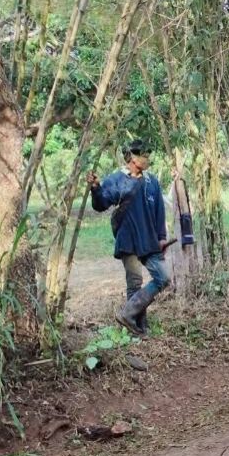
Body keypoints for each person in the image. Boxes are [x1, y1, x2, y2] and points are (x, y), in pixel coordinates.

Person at [88, 140, 173, 335]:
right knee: (134, 283)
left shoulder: (152, 182)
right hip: (128, 239)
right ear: (133, 158)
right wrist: (95, 188)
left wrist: (161, 237)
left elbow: (159, 211)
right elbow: (101, 204)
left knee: (163, 278)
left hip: (149, 239)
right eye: (144, 155)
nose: (148, 159)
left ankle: (127, 313)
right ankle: (139, 328)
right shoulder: (116, 179)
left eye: (148, 155)